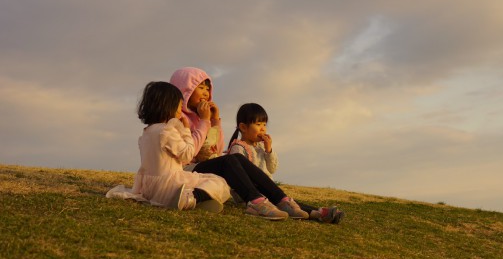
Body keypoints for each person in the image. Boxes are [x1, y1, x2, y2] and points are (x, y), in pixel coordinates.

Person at [169, 67, 308, 221]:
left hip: (202, 166)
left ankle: (288, 203)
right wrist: (204, 121)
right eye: (200, 88)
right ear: (184, 90)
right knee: (231, 159)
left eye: (207, 89)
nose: (205, 93)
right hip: (184, 169)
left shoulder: (201, 117)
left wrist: (214, 120)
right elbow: (185, 153)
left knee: (235, 160)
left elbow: (217, 148)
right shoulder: (176, 118)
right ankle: (256, 202)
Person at [106, 81, 230, 212]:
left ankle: (195, 200)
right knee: (218, 182)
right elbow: (188, 154)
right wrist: (186, 131)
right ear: (169, 106)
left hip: (151, 190)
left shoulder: (146, 133)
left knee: (206, 181)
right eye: (179, 106)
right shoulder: (168, 130)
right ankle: (191, 198)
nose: (180, 110)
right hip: (171, 186)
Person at [228, 103, 344, 223]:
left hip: (267, 190)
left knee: (287, 202)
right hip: (250, 193)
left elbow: (272, 168)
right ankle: (319, 214)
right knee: (282, 203)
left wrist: (269, 150)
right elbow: (239, 175)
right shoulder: (239, 147)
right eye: (258, 124)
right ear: (243, 127)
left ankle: (319, 213)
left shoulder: (262, 147)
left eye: (264, 124)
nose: (263, 128)